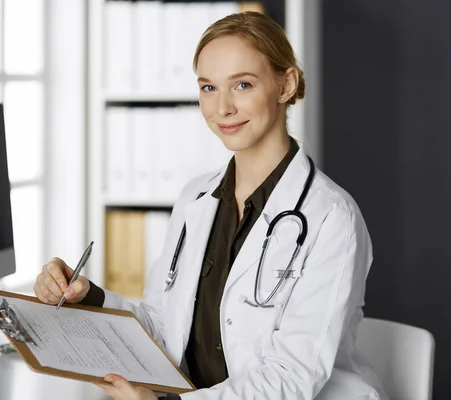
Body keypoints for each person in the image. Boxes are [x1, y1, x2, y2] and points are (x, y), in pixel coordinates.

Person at [33, 11, 389, 400]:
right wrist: (88, 297)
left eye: (242, 85)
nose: (222, 108)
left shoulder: (331, 217)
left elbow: (291, 377)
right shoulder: (196, 199)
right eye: (208, 88)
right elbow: (168, 328)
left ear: (286, 84)